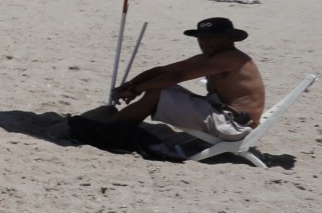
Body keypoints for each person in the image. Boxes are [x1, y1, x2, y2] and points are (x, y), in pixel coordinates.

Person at [109, 17, 264, 142]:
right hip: (222, 115)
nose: (205, 43)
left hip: (234, 125)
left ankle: (111, 129)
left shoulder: (230, 58)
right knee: (159, 87)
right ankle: (117, 127)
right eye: (201, 38)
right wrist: (131, 84)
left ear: (228, 38)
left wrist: (135, 90)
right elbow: (163, 71)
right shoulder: (214, 56)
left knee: (157, 92)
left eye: (212, 38)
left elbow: (178, 76)